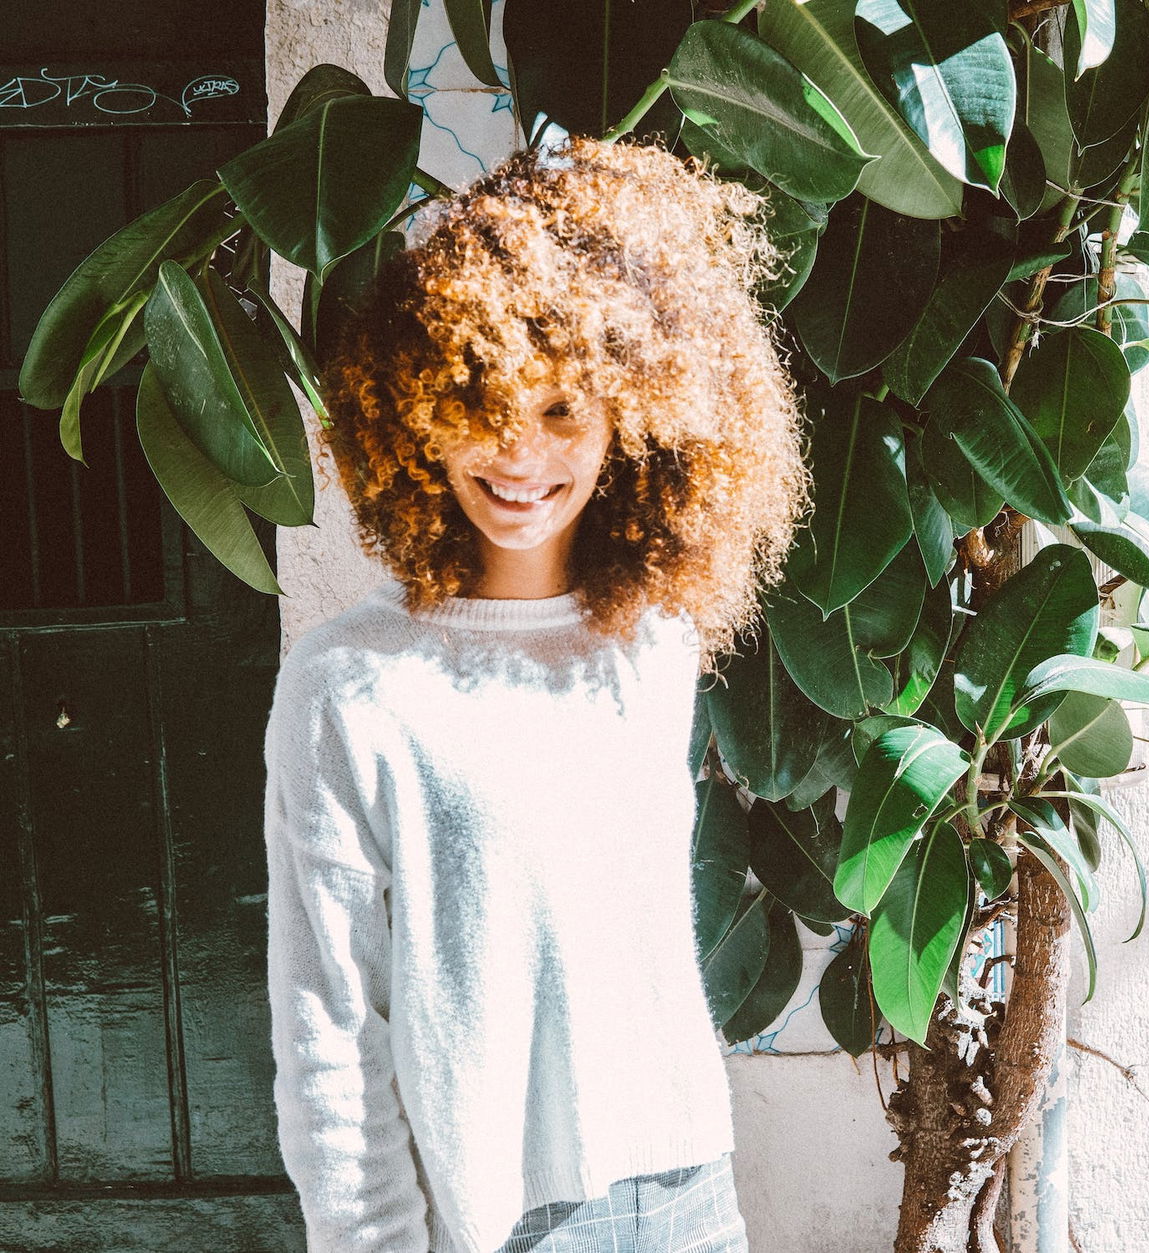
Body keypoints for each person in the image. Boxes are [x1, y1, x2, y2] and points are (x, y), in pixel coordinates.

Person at [261, 134, 811, 1253]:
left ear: (631, 422)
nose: (520, 452)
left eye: (564, 409)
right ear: (414, 407)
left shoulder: (651, 646)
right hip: (493, 1221)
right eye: (480, 398)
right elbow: (328, 1024)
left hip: (688, 1192)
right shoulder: (351, 685)